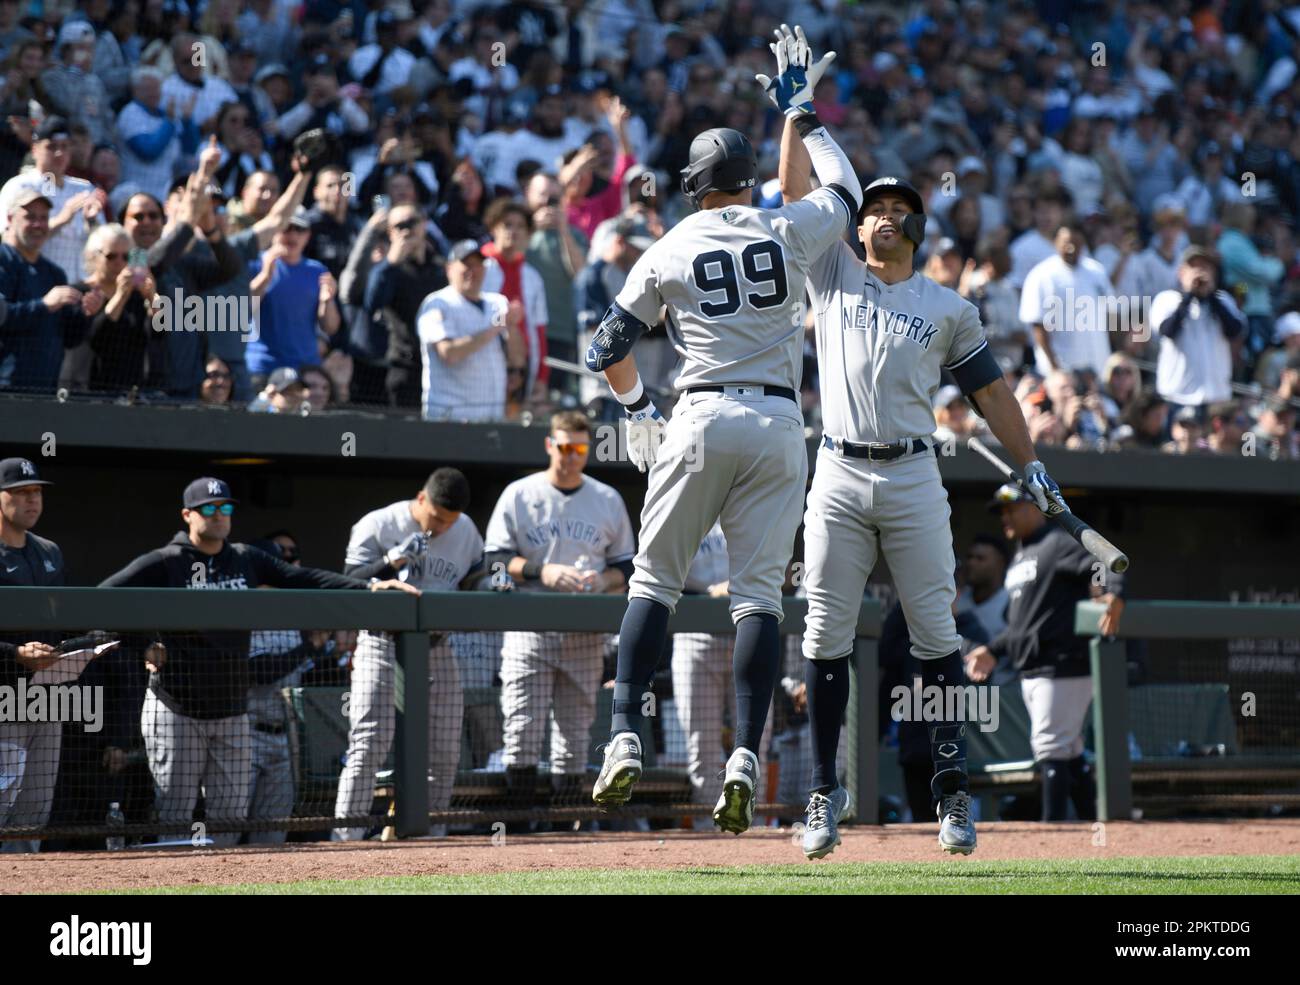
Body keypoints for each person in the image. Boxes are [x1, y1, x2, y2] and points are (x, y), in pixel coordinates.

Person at [773, 25, 1069, 860]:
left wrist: (1032, 465)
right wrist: (797, 113)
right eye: (878, 208)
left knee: (938, 641)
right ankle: (823, 796)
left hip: (911, 476)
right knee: (826, 637)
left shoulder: (948, 307)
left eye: (904, 212)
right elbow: (793, 187)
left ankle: (951, 794)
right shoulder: (830, 268)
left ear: (919, 232)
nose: (889, 217)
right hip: (834, 469)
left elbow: (995, 394)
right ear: (859, 223)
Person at [586, 25, 860, 838]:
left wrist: (638, 412)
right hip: (780, 421)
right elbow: (845, 187)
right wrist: (802, 109)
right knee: (757, 602)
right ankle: (745, 758)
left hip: (698, 414)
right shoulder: (785, 228)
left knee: (653, 586)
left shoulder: (667, 245)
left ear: (693, 185)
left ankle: (626, 733)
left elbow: (608, 348)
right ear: (745, 182)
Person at [98, 477, 415, 847]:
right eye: (210, 509)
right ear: (188, 515)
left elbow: (301, 578)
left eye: (226, 508)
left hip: (232, 709)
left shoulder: (245, 558)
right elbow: (105, 598)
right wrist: (145, 643)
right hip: (177, 707)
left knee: (230, 819)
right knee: (175, 816)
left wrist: (370, 587)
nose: (219, 515)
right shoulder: (167, 561)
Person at [485, 411, 635, 814]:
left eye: (579, 448)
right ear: (550, 445)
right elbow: (494, 562)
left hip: (585, 630)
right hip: (529, 626)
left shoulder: (606, 498)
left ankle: (567, 829)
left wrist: (605, 580)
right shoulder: (520, 493)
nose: (571, 456)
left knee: (574, 732)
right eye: (564, 446)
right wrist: (542, 571)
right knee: (521, 727)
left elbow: (628, 565)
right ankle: (519, 825)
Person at [333, 468, 488, 841]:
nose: (443, 527)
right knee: (369, 742)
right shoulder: (379, 523)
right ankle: (347, 837)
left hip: (436, 647)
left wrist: (493, 581)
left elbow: (474, 578)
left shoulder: (465, 528)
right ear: (421, 499)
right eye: (437, 518)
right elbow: (349, 580)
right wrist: (394, 560)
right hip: (382, 644)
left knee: (445, 748)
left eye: (450, 521)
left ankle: (429, 835)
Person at [965, 484, 1125, 822]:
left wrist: (1110, 594)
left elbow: (1105, 561)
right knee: (1068, 749)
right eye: (1001, 511)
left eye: (1012, 508)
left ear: (1036, 508)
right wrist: (993, 650)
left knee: (1050, 746)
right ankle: (1099, 824)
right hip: (1034, 668)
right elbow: (1023, 625)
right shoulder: (1021, 555)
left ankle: (1053, 833)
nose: (1005, 516)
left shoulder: (1057, 543)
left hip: (1064, 664)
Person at [0, 457, 66, 852]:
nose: (32, 500)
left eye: (37, 492)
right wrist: (15, 653)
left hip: (47, 698)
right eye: (22, 492)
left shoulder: (50, 552)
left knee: (33, 816)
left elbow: (59, 621)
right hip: (3, 698)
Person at [669, 521, 734, 820]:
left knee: (753, 741)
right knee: (702, 745)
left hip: (745, 630)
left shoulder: (752, 499)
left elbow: (786, 569)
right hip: (693, 632)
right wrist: (708, 594)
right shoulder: (687, 502)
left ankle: (752, 825)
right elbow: (661, 572)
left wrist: (745, 584)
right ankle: (708, 829)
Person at [416, 239, 522, 422]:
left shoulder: (496, 302)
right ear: (449, 269)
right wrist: (497, 327)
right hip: (449, 418)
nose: (473, 271)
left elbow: (518, 359)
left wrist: (511, 325)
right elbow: (449, 354)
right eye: (467, 264)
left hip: (492, 417)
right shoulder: (437, 303)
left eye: (479, 264)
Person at [0, 189, 91, 393]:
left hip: (44, 391)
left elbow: (70, 339)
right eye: (30, 217)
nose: (38, 225)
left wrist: (86, 313)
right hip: (6, 390)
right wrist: (44, 305)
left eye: (43, 218)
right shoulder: (3, 261)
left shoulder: (54, 274)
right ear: (10, 218)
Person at [0, 115, 103, 284]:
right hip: (35, 285)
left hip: (80, 288)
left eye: (65, 146)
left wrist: (92, 222)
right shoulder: (20, 187)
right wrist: (63, 218)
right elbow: (10, 240)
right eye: (51, 147)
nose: (59, 153)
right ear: (35, 150)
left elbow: (102, 241)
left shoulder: (85, 188)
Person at [364, 203, 449, 408]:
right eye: (398, 226)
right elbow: (372, 303)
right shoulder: (388, 270)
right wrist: (391, 262)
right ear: (389, 232)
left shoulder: (440, 268)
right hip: (404, 365)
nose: (406, 230)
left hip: (440, 366)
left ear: (425, 224)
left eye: (411, 222)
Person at [247, 208, 341, 389]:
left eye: (300, 230)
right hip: (262, 367)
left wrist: (327, 301)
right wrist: (266, 276)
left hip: (305, 369)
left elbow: (330, 327)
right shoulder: (256, 264)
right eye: (287, 228)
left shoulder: (318, 271)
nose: (292, 235)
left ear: (308, 235)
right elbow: (240, 309)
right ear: (275, 230)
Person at [1148, 245, 1245, 414]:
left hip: (1216, 395)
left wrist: (1211, 296)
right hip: (1177, 395)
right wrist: (1189, 295)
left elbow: (1235, 331)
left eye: (1205, 267)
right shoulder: (1167, 299)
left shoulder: (1223, 300)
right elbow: (1167, 331)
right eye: (1194, 267)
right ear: (1181, 272)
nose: (1200, 272)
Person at [1020, 220, 1116, 378]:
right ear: (1055, 241)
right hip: (1062, 373)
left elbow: (1111, 315)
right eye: (1066, 242)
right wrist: (1055, 368)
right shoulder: (1042, 275)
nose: (1071, 248)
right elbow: (1037, 326)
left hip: (1098, 368)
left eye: (1076, 243)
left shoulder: (1096, 271)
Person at [482, 198, 548, 406]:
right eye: (507, 224)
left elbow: (539, 330)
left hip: (521, 367)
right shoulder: (477, 269)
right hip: (484, 362)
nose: (514, 231)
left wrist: (542, 376)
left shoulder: (533, 277)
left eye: (521, 226)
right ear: (494, 229)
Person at [76, 222, 157, 393]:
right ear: (93, 256)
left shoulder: (136, 297)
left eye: (126, 257)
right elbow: (97, 337)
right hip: (90, 390)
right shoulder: (80, 293)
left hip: (131, 390)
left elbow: (158, 334)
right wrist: (120, 296)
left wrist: (151, 297)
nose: (119, 262)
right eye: (111, 256)